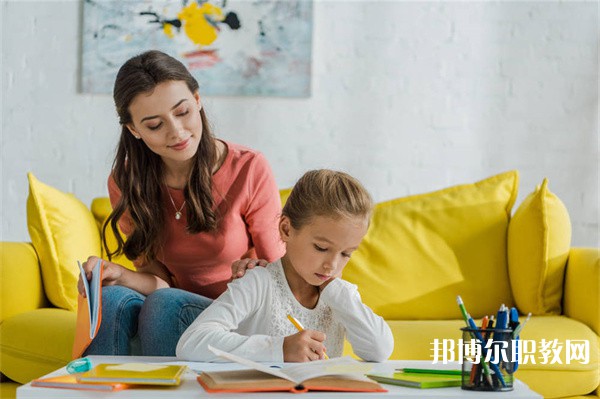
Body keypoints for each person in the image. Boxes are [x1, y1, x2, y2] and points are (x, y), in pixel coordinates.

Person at [78, 50, 284, 356]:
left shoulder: (249, 168)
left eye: (183, 112)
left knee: (165, 305)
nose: (176, 132)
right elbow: (160, 284)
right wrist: (118, 275)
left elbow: (283, 277)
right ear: (134, 129)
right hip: (171, 304)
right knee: (111, 299)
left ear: (197, 100)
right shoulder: (126, 182)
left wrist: (257, 271)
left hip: (235, 314)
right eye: (153, 125)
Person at [176, 169, 394, 362]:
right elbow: (192, 342)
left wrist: (338, 293)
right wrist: (279, 349)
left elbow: (380, 350)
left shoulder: (340, 296)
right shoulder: (259, 282)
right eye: (321, 248)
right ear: (286, 229)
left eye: (346, 253)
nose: (332, 265)